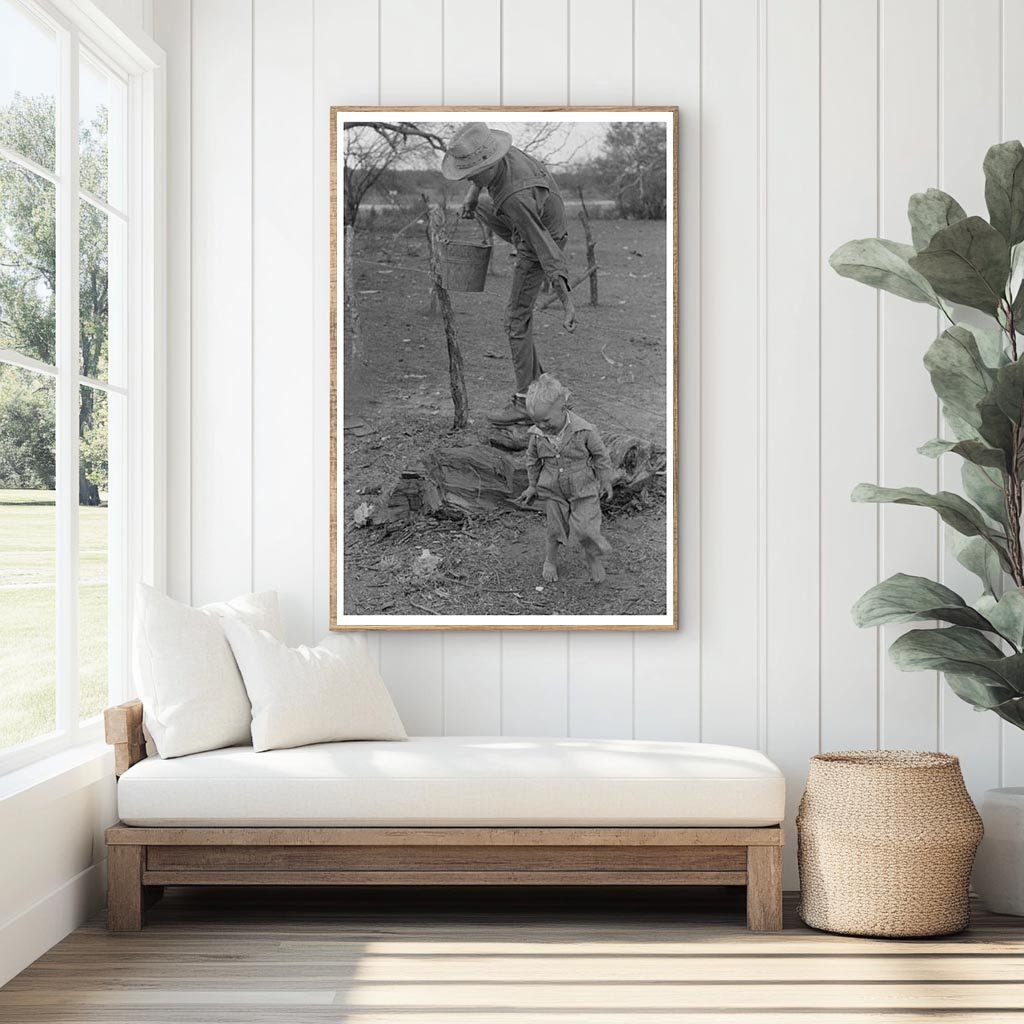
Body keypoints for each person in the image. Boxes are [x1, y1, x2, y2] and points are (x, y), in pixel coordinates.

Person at [441, 123, 577, 425]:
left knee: (515, 320)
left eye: (474, 173)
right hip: (532, 223)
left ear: (490, 163)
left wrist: (565, 300)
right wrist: (473, 195)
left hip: (541, 240)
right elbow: (484, 178)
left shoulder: (514, 197)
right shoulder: (502, 156)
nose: (471, 179)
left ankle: (524, 404)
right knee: (476, 207)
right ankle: (544, 395)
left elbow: (545, 248)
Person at [515, 374, 614, 583]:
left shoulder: (584, 430)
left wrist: (605, 479)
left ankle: (592, 557)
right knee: (554, 529)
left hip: (583, 489)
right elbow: (532, 460)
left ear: (563, 409)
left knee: (586, 528)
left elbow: (600, 455)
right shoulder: (537, 435)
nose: (542, 426)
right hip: (553, 490)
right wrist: (532, 486)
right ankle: (550, 560)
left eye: (546, 420)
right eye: (536, 422)